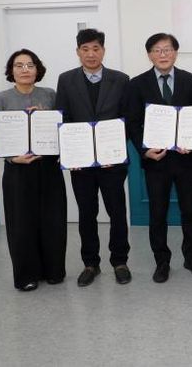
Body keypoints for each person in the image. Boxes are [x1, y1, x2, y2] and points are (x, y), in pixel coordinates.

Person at [126, 33, 192, 283]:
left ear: (175, 52)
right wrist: (144, 150)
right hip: (156, 162)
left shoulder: (190, 80)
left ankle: (191, 258)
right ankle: (162, 262)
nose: (163, 55)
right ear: (149, 55)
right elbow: (133, 123)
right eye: (157, 50)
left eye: (167, 49)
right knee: (157, 213)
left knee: (190, 212)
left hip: (186, 160)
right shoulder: (137, 84)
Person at [55, 28, 132, 287]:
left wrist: (115, 151)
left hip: (113, 163)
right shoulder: (66, 80)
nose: (91, 54)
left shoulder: (121, 79)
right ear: (78, 52)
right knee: (87, 213)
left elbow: (127, 120)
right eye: (85, 49)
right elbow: (63, 118)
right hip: (81, 164)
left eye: (96, 48)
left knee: (117, 212)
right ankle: (91, 263)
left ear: (103, 50)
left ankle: (120, 261)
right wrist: (71, 154)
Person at [0, 49, 67, 291]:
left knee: (53, 221)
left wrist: (47, 118)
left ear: (37, 69)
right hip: (18, 171)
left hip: (48, 168)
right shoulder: (1, 99)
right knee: (21, 224)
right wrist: (13, 158)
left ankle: (54, 271)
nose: (25, 69)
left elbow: (63, 128)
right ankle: (26, 276)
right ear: (11, 71)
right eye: (19, 65)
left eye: (30, 65)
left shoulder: (50, 95)